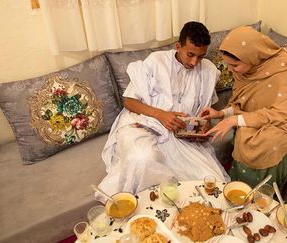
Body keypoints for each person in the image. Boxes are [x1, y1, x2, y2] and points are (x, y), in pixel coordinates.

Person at [97, 22, 230, 202]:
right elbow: (129, 101)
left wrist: (201, 128)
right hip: (143, 123)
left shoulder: (207, 70)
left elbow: (204, 113)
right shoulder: (156, 62)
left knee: (211, 179)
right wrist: (161, 114)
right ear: (178, 46)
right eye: (190, 54)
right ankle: (144, 209)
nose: (194, 62)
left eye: (200, 56)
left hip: (179, 135)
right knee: (143, 159)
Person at [200, 26, 287, 203]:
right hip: (265, 117)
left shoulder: (285, 69)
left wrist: (235, 119)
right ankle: (239, 192)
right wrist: (220, 113)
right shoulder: (247, 70)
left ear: (253, 56)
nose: (230, 70)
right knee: (246, 132)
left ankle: (260, 200)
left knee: (266, 142)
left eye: (234, 65)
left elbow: (284, 113)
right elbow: (245, 105)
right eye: (228, 64)